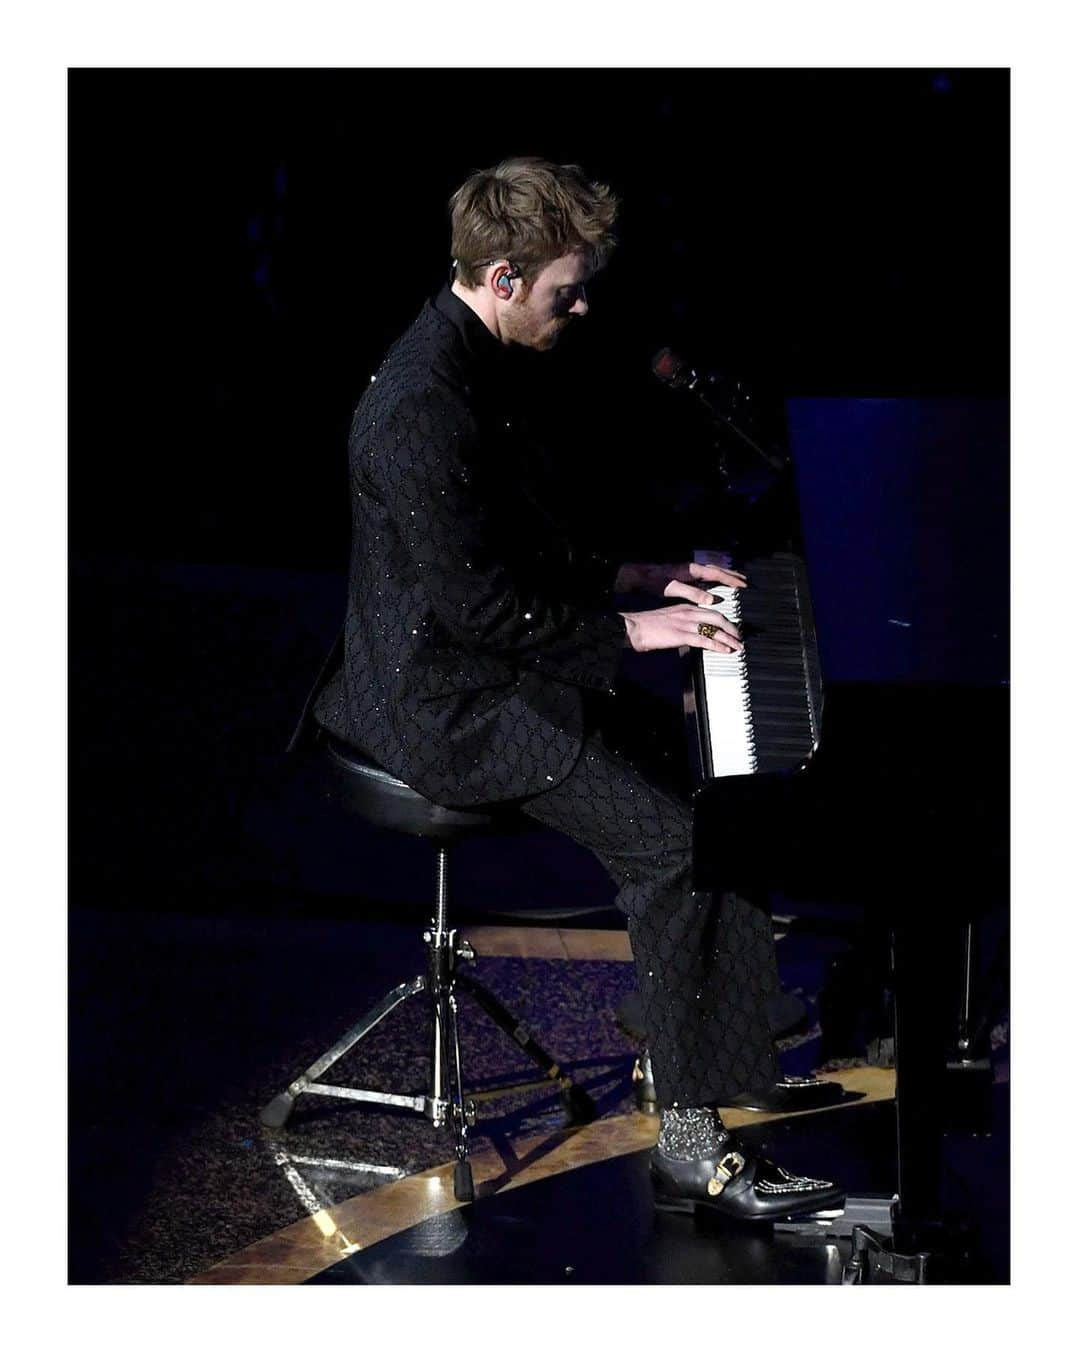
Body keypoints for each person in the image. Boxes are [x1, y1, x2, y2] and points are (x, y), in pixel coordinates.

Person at [305, 157, 845, 1222]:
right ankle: (692, 1141)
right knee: (679, 848)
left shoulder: (476, 361)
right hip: (448, 702)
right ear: (504, 276)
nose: (583, 304)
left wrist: (629, 578)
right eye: (567, 287)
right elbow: (475, 614)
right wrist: (632, 630)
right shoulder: (421, 406)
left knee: (715, 804)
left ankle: (710, 1058)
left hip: (496, 667)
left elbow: (511, 544)